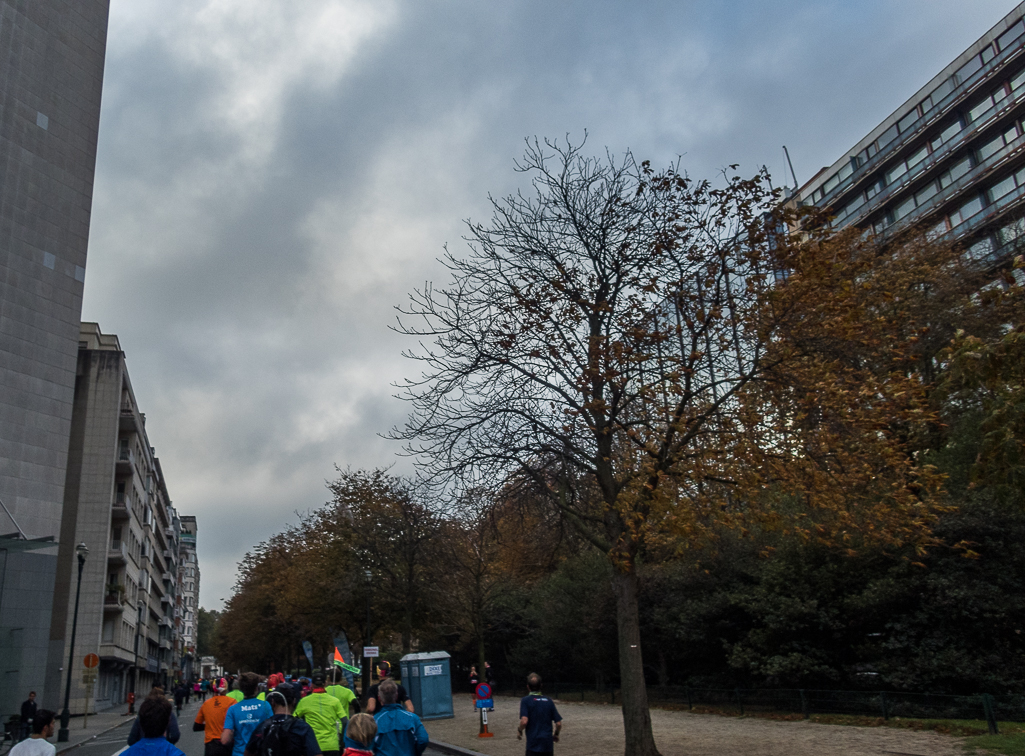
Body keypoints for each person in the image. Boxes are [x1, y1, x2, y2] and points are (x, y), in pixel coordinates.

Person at [243, 685, 320, 756]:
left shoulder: (263, 727)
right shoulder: (302, 727)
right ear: (294, 702)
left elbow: (248, 753)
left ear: (272, 702)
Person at [292, 671, 347, 756]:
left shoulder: (304, 701)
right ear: (325, 683)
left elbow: (293, 719)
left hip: (312, 746)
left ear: (312, 685)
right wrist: (342, 741)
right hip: (332, 745)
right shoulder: (335, 701)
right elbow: (345, 721)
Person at [221, 673, 274, 756]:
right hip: (260, 752)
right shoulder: (265, 705)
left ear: (241, 689)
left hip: (240, 753)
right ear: (256, 688)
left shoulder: (233, 709)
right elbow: (272, 729)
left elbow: (225, 740)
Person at [372, 680, 428, 756]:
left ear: (379, 698)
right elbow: (423, 740)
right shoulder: (412, 718)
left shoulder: (375, 721)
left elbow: (369, 746)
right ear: (397, 696)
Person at [517, 673, 562, 756]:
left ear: (528, 687)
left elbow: (524, 721)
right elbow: (558, 723)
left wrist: (519, 730)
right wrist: (556, 734)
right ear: (541, 685)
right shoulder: (549, 700)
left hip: (533, 744)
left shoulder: (525, 700)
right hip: (547, 744)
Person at [193, 681, 238, 756]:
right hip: (228, 743)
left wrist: (210, 725)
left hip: (211, 744)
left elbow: (196, 727)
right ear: (226, 689)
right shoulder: (232, 702)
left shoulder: (206, 703)